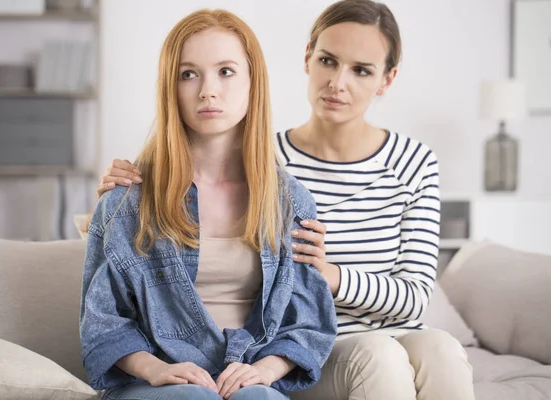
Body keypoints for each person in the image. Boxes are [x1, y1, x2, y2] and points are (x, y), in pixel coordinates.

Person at [94, 1, 477, 399]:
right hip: (323, 350)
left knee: (443, 349)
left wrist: (330, 276)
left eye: (361, 70)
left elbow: (415, 296)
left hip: (322, 341)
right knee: (379, 356)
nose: (338, 82)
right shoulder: (265, 161)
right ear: (308, 58)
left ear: (387, 78)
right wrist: (118, 197)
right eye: (328, 60)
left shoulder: (401, 166)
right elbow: (118, 272)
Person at [80, 8, 338, 400]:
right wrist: (157, 369)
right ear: (171, 87)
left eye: (226, 71)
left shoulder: (289, 202)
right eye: (188, 74)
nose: (207, 90)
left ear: (254, 82)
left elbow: (307, 322)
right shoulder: (129, 198)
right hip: (152, 380)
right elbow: (102, 322)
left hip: (248, 375)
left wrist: (264, 370)